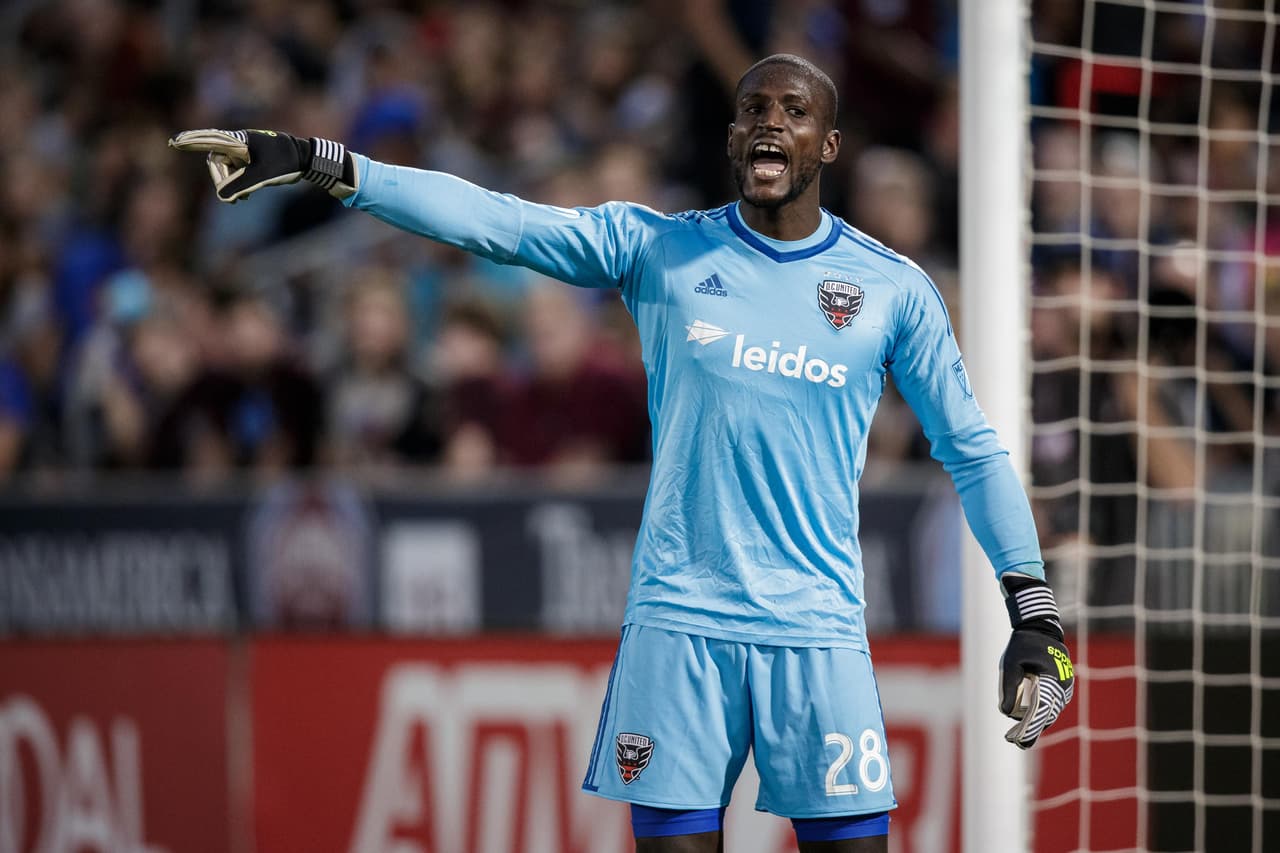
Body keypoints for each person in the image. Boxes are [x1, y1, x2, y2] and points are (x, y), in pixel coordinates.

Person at [171, 53, 1074, 852]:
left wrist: (1031, 610)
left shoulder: (892, 289)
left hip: (818, 629)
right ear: (732, 136)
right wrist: (331, 165)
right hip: (677, 623)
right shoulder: (661, 249)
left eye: (795, 112)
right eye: (755, 108)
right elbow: (502, 223)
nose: (771, 123)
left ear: (826, 147)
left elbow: (974, 448)